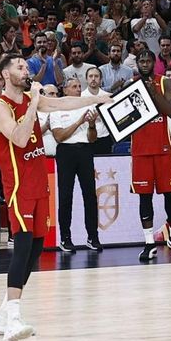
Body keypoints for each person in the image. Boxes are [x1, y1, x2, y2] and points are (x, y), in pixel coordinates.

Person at [0, 53, 109, 341]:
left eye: (25, 66)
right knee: (23, 244)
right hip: (18, 186)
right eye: (19, 66)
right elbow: (18, 137)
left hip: (40, 182)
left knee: (36, 248)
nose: (25, 69)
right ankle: (13, 319)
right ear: (5, 74)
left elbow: (62, 103)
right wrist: (32, 105)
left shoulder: (32, 98)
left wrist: (95, 100)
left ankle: (4, 312)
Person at [132, 65, 171, 263]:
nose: (145, 63)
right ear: (138, 64)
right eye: (142, 60)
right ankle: (149, 243)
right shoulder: (132, 86)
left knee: (170, 194)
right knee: (144, 198)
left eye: (148, 59)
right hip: (140, 150)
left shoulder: (164, 82)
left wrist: (153, 93)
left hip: (163, 148)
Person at [48, 74, 101, 253]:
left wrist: (92, 125)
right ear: (65, 89)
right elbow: (59, 136)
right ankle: (65, 238)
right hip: (65, 152)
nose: (78, 89)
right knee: (65, 196)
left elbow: (93, 139)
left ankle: (93, 237)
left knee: (90, 195)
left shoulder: (88, 106)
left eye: (80, 86)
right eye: (74, 87)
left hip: (85, 151)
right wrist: (80, 122)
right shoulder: (56, 109)